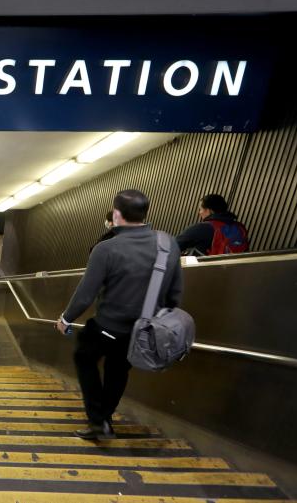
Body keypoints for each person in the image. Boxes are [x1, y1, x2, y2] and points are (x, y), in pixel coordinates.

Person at [55, 189, 182, 440]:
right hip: (143, 330)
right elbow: (174, 292)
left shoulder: (106, 248)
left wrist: (66, 318)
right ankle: (105, 419)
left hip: (108, 326)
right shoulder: (168, 244)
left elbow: (85, 294)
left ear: (115, 215)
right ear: (146, 213)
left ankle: (97, 420)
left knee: (84, 356)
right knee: (118, 370)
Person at [176, 194, 249, 256]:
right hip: (238, 270)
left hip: (209, 271)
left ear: (208, 210)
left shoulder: (203, 228)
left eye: (200, 209)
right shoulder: (240, 227)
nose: (199, 213)